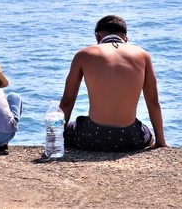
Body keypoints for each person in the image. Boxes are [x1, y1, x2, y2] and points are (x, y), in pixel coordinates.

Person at [59, 15, 168, 151]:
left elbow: (67, 102)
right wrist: (161, 141)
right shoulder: (143, 55)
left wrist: (56, 139)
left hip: (92, 138)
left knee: (71, 127)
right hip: (130, 139)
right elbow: (153, 101)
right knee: (147, 132)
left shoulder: (83, 55)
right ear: (125, 39)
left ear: (97, 37)